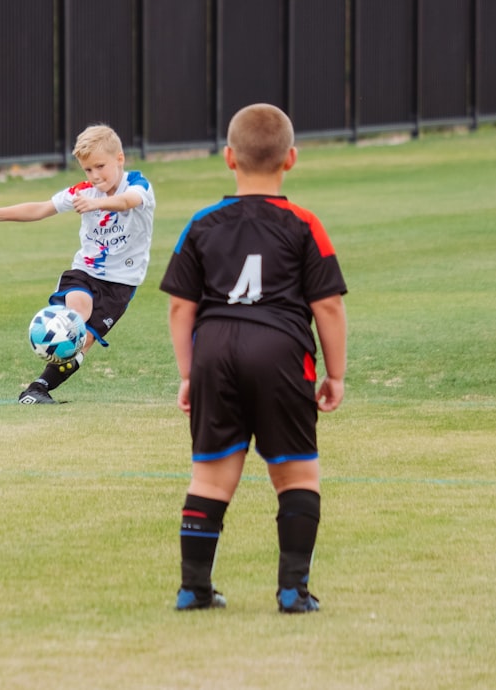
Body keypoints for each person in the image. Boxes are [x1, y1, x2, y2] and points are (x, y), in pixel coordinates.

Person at [159, 103, 347, 613]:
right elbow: (326, 304)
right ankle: (293, 591)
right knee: (297, 476)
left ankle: (193, 589)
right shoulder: (305, 224)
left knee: (210, 477)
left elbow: (180, 305)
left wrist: (187, 373)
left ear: (228, 158)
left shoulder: (201, 223)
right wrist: (335, 374)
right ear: (291, 158)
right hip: (282, 353)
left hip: (215, 352)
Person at [0, 124, 156, 404]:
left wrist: (98, 205)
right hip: (85, 271)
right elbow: (42, 208)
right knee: (76, 316)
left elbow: (128, 201)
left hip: (121, 282)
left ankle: (40, 386)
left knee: (84, 341)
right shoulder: (84, 191)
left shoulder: (138, 185)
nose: (94, 176)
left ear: (120, 159)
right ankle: (39, 377)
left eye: (100, 166)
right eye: (87, 170)